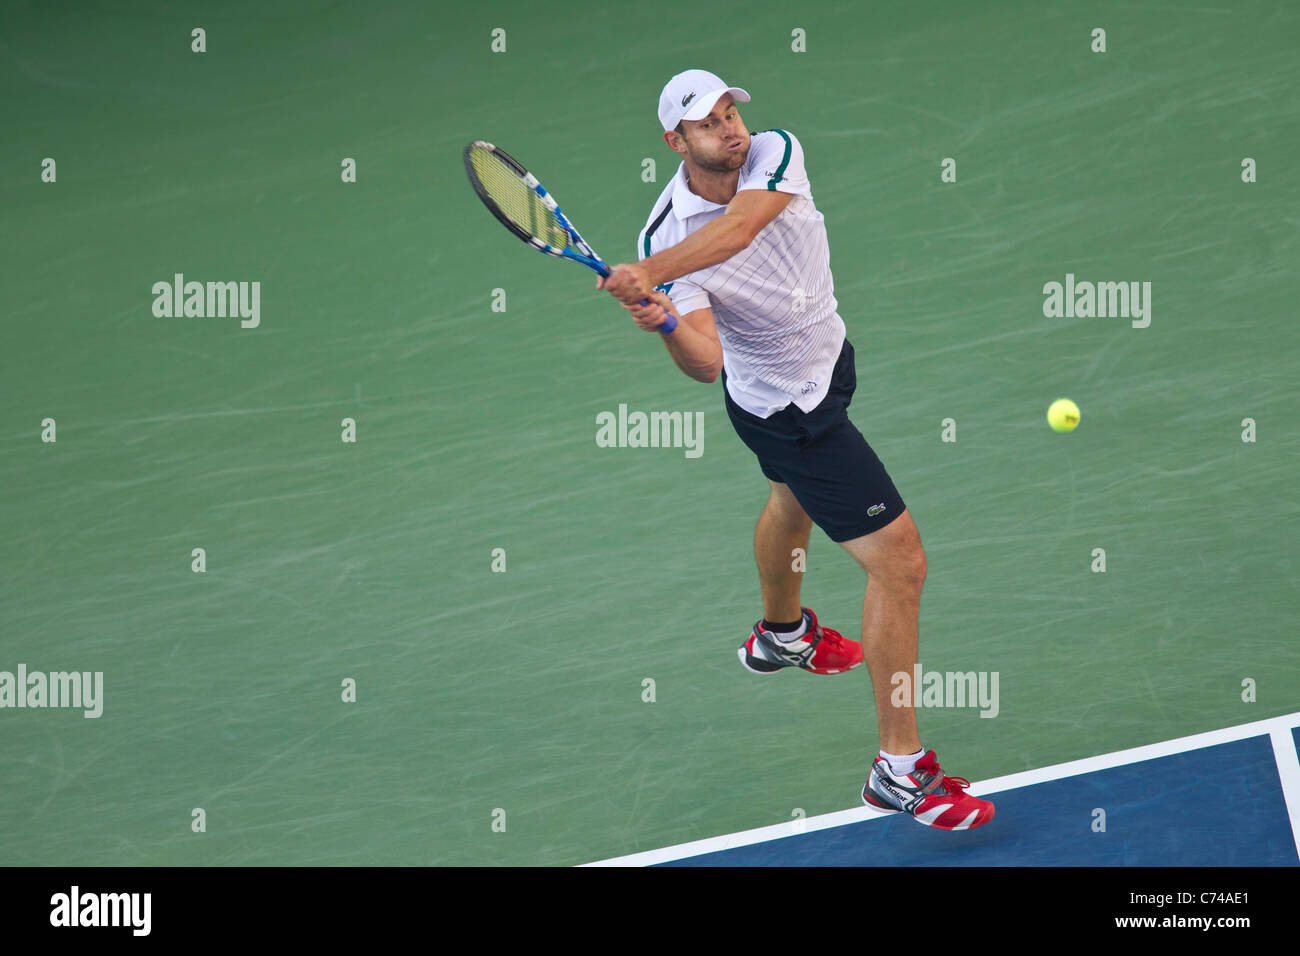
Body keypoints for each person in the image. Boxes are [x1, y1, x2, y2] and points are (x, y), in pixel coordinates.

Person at [598, 69, 994, 830]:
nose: (731, 130)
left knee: (789, 498)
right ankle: (900, 770)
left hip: (828, 363)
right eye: (709, 124)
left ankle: (783, 636)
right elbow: (706, 362)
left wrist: (652, 276)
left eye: (730, 113)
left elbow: (743, 229)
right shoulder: (662, 236)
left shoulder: (774, 153)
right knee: (900, 562)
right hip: (786, 410)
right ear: (675, 143)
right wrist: (665, 321)